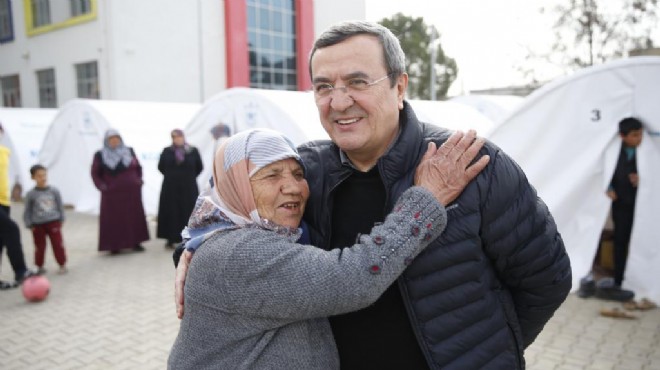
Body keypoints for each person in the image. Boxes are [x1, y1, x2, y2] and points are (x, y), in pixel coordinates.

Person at [175, 21, 572, 369]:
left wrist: (486, 353)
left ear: (400, 86)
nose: (340, 101)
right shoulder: (306, 173)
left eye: (358, 82)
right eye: (324, 87)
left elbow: (546, 280)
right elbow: (233, 225)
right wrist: (189, 254)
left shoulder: (469, 166)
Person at [168, 128, 488, 369]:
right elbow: (354, 278)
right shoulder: (238, 252)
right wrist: (427, 199)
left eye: (297, 173)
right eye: (270, 175)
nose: (292, 186)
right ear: (236, 186)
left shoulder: (235, 237)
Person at [595, 117, 643, 301]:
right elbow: (605, 171)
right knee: (620, 240)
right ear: (623, 136)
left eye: (640, 134)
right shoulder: (616, 153)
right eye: (635, 135)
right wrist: (609, 188)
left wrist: (642, 180)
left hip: (640, 205)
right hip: (622, 204)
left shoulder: (646, 154)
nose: (639, 138)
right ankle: (619, 279)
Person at [91, 129, 149, 254]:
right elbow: (95, 173)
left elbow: (138, 167)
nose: (114, 141)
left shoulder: (129, 151)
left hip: (131, 193)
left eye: (116, 138)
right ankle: (114, 245)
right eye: (111, 139)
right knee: (114, 219)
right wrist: (102, 186)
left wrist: (138, 180)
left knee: (133, 217)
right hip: (112, 194)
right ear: (106, 141)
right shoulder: (100, 155)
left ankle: (136, 242)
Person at [0, 123, 35, 289]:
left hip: (3, 200)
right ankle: (21, 271)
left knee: (1, 239)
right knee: (11, 229)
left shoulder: (4, 152)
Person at [157, 129, 203, 249]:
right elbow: (161, 167)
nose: (178, 139)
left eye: (180, 137)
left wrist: (188, 177)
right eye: (175, 137)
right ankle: (171, 237)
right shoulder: (167, 151)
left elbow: (199, 167)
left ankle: (189, 236)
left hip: (188, 187)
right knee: (171, 211)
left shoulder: (193, 151)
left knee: (188, 210)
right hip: (170, 188)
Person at [23, 164, 68, 275]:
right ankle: (39, 266)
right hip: (38, 225)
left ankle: (62, 264)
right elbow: (27, 210)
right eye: (39, 176)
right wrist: (29, 224)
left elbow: (60, 206)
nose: (43, 178)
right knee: (39, 246)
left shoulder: (54, 191)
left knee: (58, 244)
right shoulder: (31, 194)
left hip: (53, 222)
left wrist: (61, 219)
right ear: (33, 178)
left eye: (44, 175)